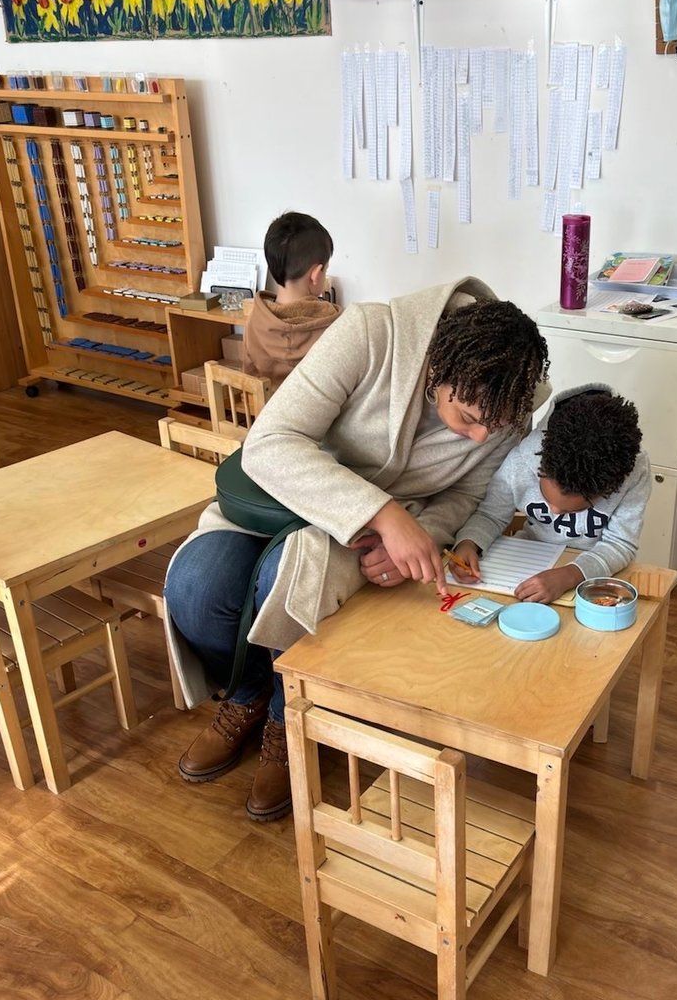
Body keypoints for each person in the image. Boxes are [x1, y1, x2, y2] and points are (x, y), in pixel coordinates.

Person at [164, 278, 549, 823]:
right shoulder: (372, 332)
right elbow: (271, 442)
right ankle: (246, 692)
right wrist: (382, 513)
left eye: (497, 426)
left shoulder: (508, 400)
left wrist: (423, 535)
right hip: (289, 495)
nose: (482, 438)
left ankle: (284, 716)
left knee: (284, 582)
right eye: (466, 418)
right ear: (437, 370)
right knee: (197, 591)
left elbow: (468, 492)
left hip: (362, 538)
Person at [449, 384, 650, 603]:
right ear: (541, 466)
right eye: (548, 499)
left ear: (608, 489)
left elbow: (621, 544)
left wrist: (570, 575)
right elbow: (491, 515)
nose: (554, 511)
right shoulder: (524, 458)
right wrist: (469, 543)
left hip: (597, 574)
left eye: (572, 509)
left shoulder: (632, 472)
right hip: (527, 563)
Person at [242, 210, 341, 386]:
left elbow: (249, 375)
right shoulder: (334, 326)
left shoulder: (255, 321)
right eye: (325, 270)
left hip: (269, 412)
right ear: (316, 275)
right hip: (321, 414)